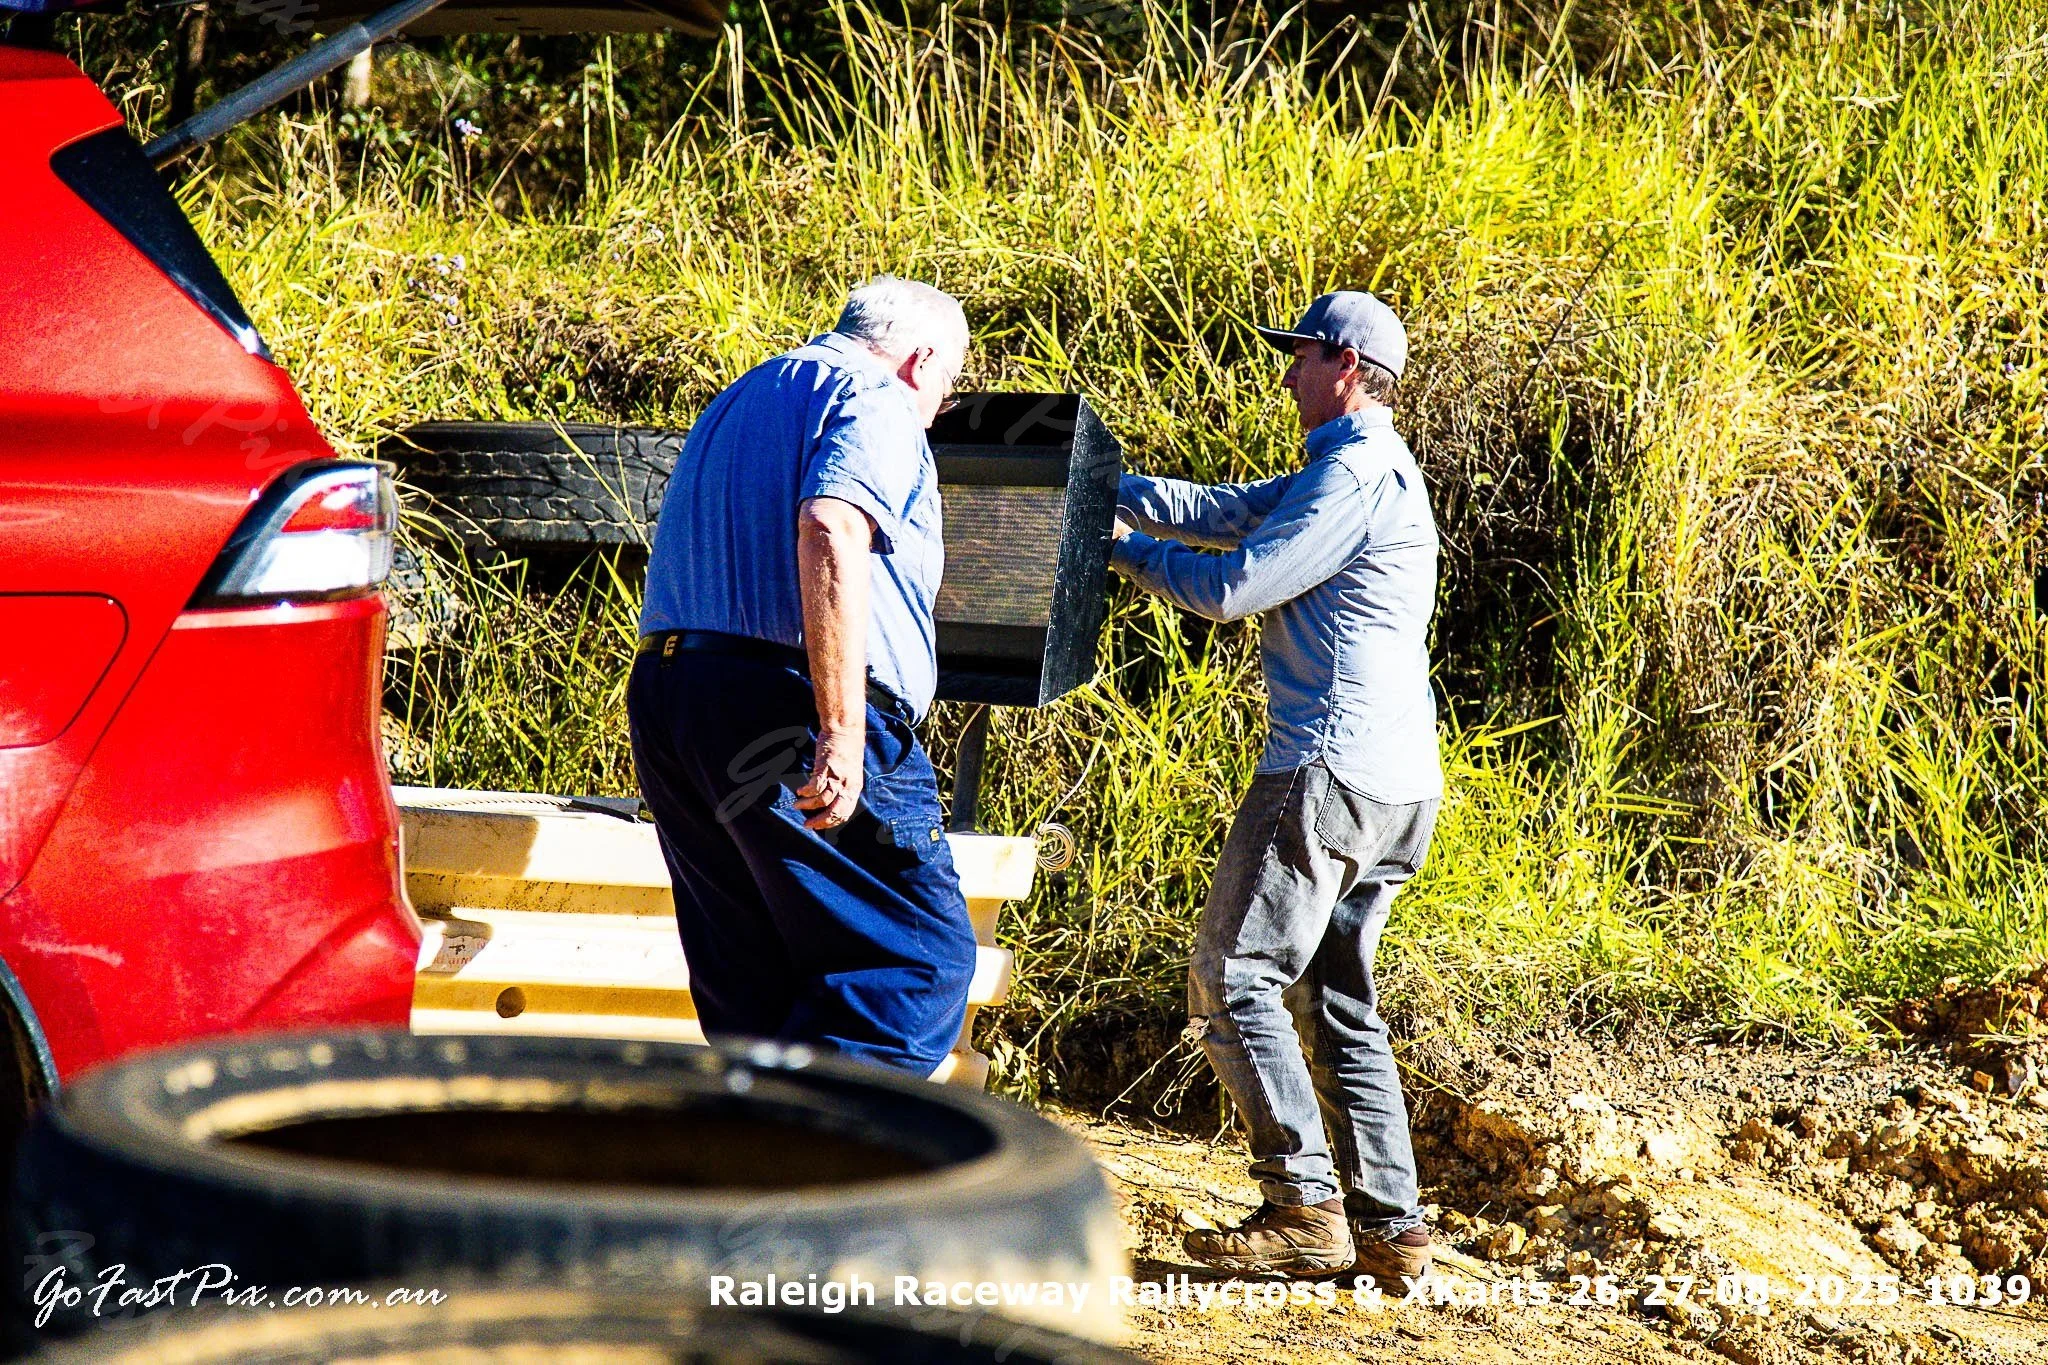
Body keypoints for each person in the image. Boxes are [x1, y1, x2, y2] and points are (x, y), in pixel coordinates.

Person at [1110, 290, 1443, 1282]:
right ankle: (1392, 1228)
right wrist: (1100, 489)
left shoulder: (1351, 473)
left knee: (1231, 976)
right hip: (1396, 787)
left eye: (1296, 357)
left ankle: (1301, 1204)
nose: (1284, 373)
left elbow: (1229, 584)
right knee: (1338, 1001)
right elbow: (1225, 513)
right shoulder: (1356, 468)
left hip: (1325, 771)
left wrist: (1115, 553)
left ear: (1342, 367)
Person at [627, 275, 978, 1077]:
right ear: (923, 362)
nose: (936, 412)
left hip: (676, 698)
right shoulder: (878, 397)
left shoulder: (740, 397)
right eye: (946, 392)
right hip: (786, 708)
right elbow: (831, 522)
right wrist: (844, 729)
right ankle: (827, 1176)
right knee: (916, 962)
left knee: (755, 983)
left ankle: (739, 1175)